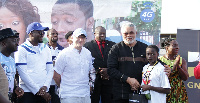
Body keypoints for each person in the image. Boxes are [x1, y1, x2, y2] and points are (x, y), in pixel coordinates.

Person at [107, 22, 171, 103]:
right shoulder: (115, 49)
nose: (128, 35)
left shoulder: (144, 48)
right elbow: (111, 70)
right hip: (121, 94)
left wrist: (166, 67)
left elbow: (156, 61)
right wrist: (128, 79)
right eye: (126, 33)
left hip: (141, 93)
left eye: (131, 32)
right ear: (121, 34)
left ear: (136, 33)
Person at [53, 28, 95, 103]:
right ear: (72, 38)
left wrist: (90, 87)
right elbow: (56, 75)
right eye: (78, 37)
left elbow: (89, 72)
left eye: (83, 37)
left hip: (85, 95)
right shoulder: (64, 54)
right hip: (69, 96)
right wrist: (64, 87)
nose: (80, 40)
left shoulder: (87, 53)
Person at [14, 22, 53, 103]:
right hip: (27, 92)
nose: (42, 34)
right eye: (39, 32)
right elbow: (23, 74)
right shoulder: (21, 49)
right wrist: (38, 90)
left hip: (44, 91)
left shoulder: (46, 49)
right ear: (31, 33)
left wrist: (45, 87)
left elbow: (50, 70)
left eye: (43, 32)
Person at [84, 26, 115, 103]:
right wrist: (98, 70)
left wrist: (108, 70)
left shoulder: (113, 45)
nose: (102, 35)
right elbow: (85, 62)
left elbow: (115, 60)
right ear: (94, 34)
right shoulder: (87, 46)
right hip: (94, 79)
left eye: (104, 34)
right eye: (100, 34)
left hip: (108, 79)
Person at [159, 38, 189, 103]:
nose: (177, 47)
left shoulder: (181, 60)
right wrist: (174, 65)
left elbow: (185, 77)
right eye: (174, 45)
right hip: (165, 92)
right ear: (167, 48)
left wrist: (178, 66)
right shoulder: (160, 60)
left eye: (177, 45)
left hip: (179, 92)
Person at [0, 28, 24, 102]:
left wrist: (15, 87)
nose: (17, 43)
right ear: (4, 43)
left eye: (17, 40)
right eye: (14, 41)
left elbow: (11, 77)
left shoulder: (12, 60)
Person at [46, 29, 64, 103]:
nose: (55, 35)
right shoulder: (43, 49)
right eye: (53, 34)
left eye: (56, 34)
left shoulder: (62, 50)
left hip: (57, 84)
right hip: (45, 84)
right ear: (47, 36)